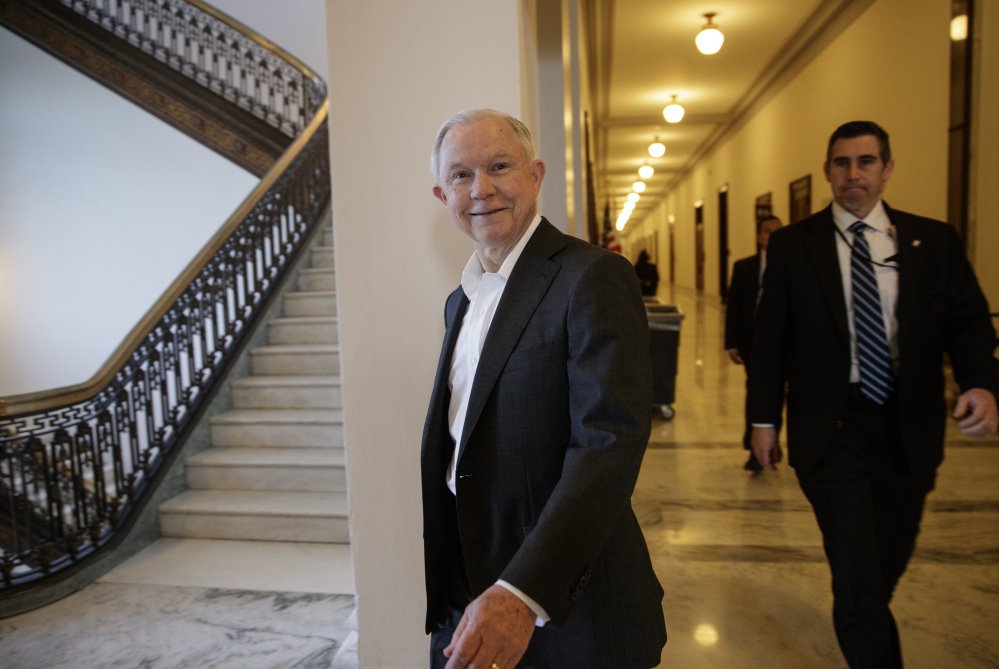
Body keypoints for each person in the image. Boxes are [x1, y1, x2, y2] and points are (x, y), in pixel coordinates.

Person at [421, 109, 667, 669]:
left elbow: (608, 447)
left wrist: (521, 592)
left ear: (536, 174)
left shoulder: (592, 277)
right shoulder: (460, 302)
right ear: (442, 194)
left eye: (499, 166)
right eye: (461, 176)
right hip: (469, 596)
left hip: (572, 612)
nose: (481, 189)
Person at [747, 120, 998, 668]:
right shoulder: (794, 245)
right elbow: (770, 340)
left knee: (885, 558)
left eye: (865, 162)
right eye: (841, 163)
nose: (852, 174)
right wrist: (762, 419)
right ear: (827, 173)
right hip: (831, 431)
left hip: (909, 428)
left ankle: (862, 614)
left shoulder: (932, 241)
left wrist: (980, 383)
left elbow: (970, 323)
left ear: (886, 169)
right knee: (857, 566)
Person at [724, 215, 783, 471]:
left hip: (786, 342)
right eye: (767, 231)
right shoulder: (744, 267)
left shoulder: (794, 265)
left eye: (777, 231)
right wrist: (732, 343)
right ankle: (754, 447)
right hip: (754, 342)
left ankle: (774, 444)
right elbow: (734, 307)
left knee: (782, 396)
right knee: (759, 393)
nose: (771, 236)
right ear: (759, 236)